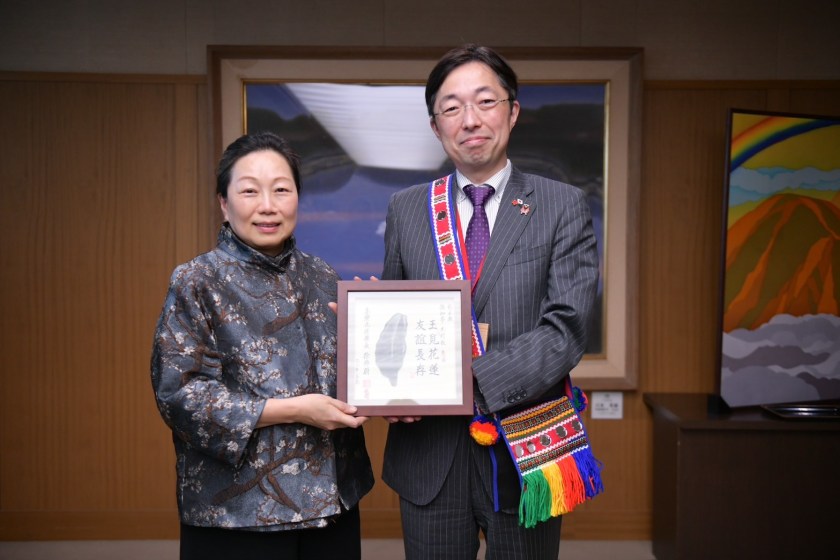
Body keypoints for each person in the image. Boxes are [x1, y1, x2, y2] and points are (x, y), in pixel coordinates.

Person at [380, 44, 600, 559]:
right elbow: (396, 315)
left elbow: (567, 326)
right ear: (435, 126)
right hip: (430, 454)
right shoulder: (407, 209)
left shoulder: (560, 205)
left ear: (513, 111)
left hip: (527, 443)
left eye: (485, 101)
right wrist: (387, 380)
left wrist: (469, 376)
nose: (470, 120)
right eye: (451, 107)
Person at [151, 132, 374, 560]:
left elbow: (347, 377)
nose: (267, 206)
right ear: (224, 203)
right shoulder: (197, 280)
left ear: (298, 198)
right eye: (250, 191)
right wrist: (294, 410)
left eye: (281, 190)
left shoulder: (323, 275)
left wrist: (376, 329)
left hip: (333, 502)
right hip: (238, 512)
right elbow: (181, 396)